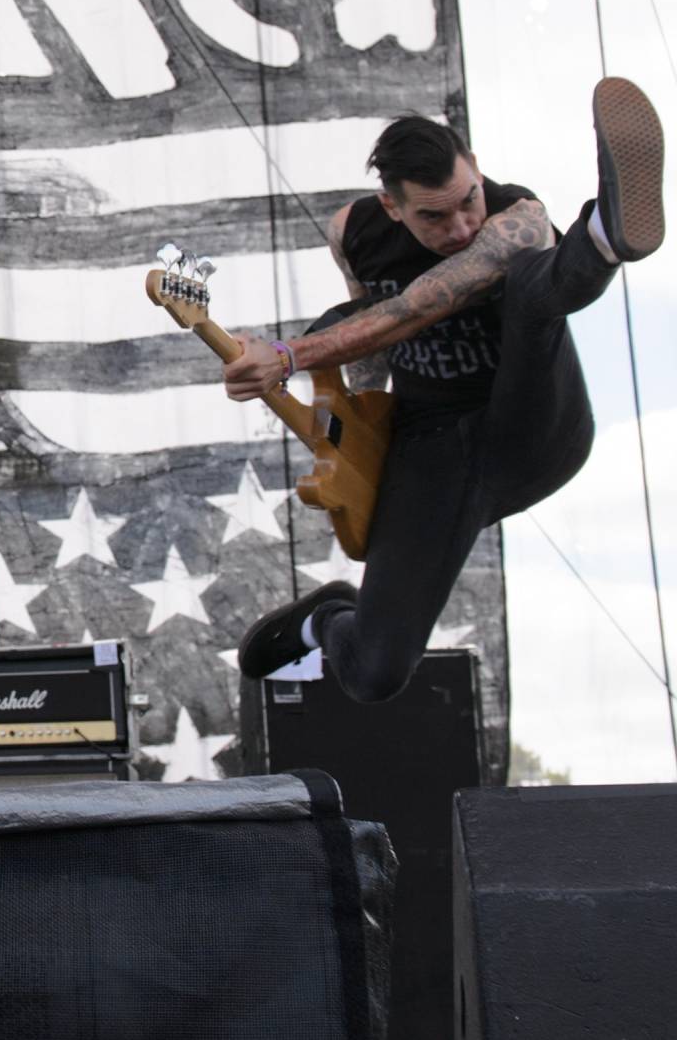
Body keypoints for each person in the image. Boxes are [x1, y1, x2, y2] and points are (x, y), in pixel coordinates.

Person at [227, 80, 664, 700]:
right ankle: (328, 620)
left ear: (478, 172)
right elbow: (372, 341)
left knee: (530, 289)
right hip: (430, 446)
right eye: (434, 215)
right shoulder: (353, 232)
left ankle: (602, 236)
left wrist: (289, 354)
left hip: (531, 431)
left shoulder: (520, 219)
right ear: (392, 207)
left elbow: (413, 309)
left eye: (468, 200)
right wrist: (350, 437)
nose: (461, 226)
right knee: (376, 673)